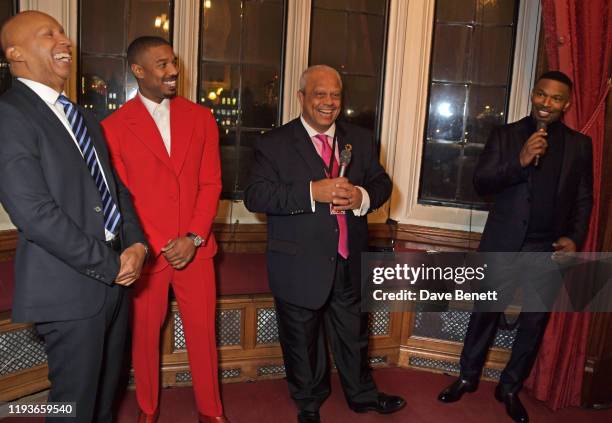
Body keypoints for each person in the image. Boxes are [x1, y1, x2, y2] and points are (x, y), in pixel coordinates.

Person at [0, 11, 148, 423]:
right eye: (49, 34)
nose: (65, 40)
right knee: (73, 408)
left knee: (105, 399)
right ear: (16, 53)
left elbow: (117, 190)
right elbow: (34, 214)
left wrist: (136, 244)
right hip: (68, 290)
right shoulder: (9, 114)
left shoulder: (82, 116)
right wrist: (111, 263)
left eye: (63, 32)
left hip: (114, 285)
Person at [244, 65, 406, 423]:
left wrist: (361, 196)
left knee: (355, 336)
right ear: (302, 97)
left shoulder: (360, 139)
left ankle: (363, 396)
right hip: (298, 263)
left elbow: (381, 184)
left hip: (349, 259)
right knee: (302, 342)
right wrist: (310, 193)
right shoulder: (273, 143)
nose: (329, 102)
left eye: (335, 95)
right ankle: (309, 403)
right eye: (320, 94)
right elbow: (255, 196)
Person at [437, 71, 593, 423]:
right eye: (541, 94)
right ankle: (467, 376)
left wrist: (575, 236)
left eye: (555, 99)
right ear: (532, 95)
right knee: (484, 315)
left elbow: (584, 197)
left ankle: (509, 387)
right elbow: (481, 184)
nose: (546, 103)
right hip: (504, 242)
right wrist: (519, 161)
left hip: (547, 247)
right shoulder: (506, 136)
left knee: (534, 322)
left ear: (565, 105)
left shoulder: (580, 145)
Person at [101, 36, 228, 423]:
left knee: (203, 336)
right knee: (143, 339)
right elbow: (120, 199)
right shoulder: (113, 127)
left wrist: (192, 238)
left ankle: (211, 411)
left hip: (196, 249)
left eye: (173, 62)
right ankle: (148, 409)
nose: (173, 71)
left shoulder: (202, 118)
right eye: (161, 64)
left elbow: (211, 185)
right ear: (138, 71)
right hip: (147, 255)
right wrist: (152, 244)